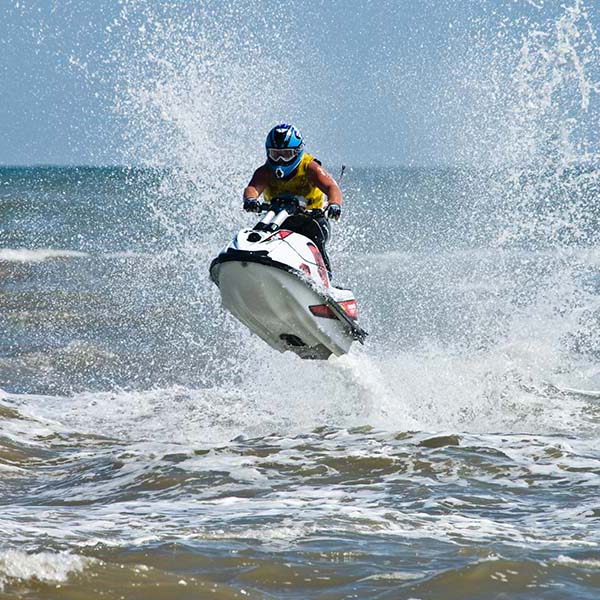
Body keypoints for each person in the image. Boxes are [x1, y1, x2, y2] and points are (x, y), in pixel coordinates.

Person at [242, 123, 342, 275]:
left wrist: (334, 204)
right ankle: (248, 265)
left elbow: (332, 187)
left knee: (315, 238)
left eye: (286, 154)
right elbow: (253, 188)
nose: (281, 160)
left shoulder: (310, 167)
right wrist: (250, 200)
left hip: (312, 219)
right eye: (275, 154)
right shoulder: (266, 171)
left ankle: (326, 279)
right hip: (278, 218)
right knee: (258, 234)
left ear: (298, 152)